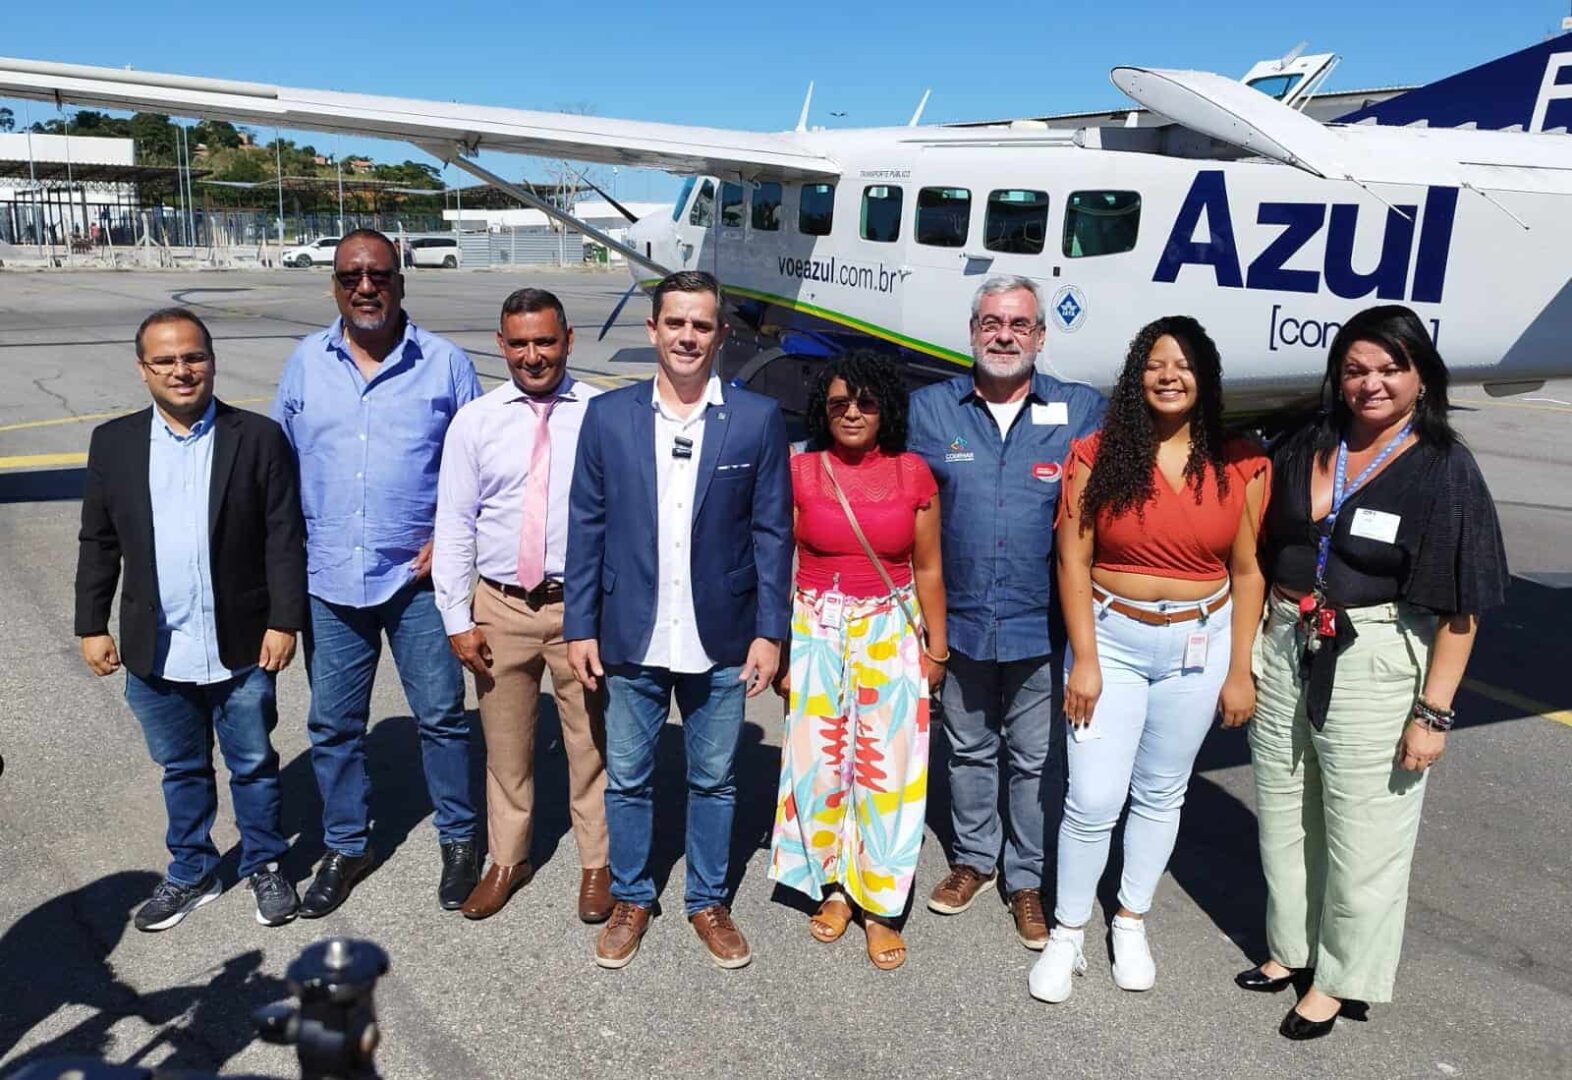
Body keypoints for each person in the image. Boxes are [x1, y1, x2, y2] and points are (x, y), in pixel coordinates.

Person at [1241, 305, 1508, 1040]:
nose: (1372, 384)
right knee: (1284, 809)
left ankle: (1340, 978)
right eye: (1356, 369)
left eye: (1391, 368)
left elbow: (1462, 610)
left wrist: (1433, 713)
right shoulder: (1308, 441)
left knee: (1365, 833)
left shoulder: (1443, 468)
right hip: (1286, 639)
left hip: (1375, 656)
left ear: (1422, 376)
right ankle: (1291, 948)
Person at [1028, 317, 1269, 1003]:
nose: (1169, 376)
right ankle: (1069, 930)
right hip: (1112, 639)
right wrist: (1085, 658)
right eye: (1156, 364)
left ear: (1206, 378)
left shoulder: (1241, 464)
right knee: (1092, 798)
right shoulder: (1097, 455)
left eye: (1185, 365)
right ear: (1137, 375)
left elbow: (1247, 571)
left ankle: (1130, 920)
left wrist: (1240, 669)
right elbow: (1073, 560)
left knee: (1162, 792)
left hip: (1200, 644)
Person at [565, 270, 792, 970]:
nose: (687, 336)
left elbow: (772, 532)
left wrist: (770, 631)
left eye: (701, 324)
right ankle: (633, 896)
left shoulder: (755, 418)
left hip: (721, 634)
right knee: (628, 777)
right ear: (653, 329)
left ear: (720, 334)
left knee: (715, 779)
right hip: (630, 629)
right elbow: (586, 524)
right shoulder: (609, 416)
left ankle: (707, 900)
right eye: (675, 323)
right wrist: (580, 626)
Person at [271, 228, 483, 918]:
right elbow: (279, 468)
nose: (366, 287)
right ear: (334, 285)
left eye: (379, 275)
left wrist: (451, 539)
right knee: (333, 724)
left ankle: (459, 838)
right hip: (331, 577)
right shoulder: (306, 363)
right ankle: (347, 843)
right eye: (350, 277)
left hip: (417, 579)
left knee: (442, 718)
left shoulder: (445, 364)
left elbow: (478, 467)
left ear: (400, 280)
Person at [75, 308, 306, 931]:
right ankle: (193, 870)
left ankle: (265, 862)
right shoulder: (114, 442)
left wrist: (285, 620)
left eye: (193, 357)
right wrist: (90, 624)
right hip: (157, 643)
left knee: (252, 763)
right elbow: (98, 540)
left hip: (242, 642)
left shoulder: (256, 437)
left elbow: (284, 536)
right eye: (166, 361)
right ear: (143, 369)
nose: (182, 370)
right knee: (181, 768)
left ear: (211, 360)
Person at [907, 276, 1105, 948]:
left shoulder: (1081, 410)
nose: (1004, 335)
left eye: (1019, 324)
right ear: (972, 331)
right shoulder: (929, 411)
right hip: (958, 617)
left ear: (1040, 336)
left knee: (1033, 759)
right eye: (991, 322)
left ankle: (1025, 878)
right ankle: (973, 859)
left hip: (1039, 622)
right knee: (967, 748)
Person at [433, 287, 611, 923]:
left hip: (579, 609)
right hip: (500, 607)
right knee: (505, 747)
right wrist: (457, 618)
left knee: (590, 743)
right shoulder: (475, 421)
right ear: (501, 344)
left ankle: (597, 863)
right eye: (519, 344)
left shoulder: (601, 414)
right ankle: (508, 859)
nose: (533, 356)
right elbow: (455, 523)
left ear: (568, 339)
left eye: (545, 341)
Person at [768, 351, 946, 971]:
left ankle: (879, 904)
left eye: (866, 402)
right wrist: (780, 648)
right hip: (816, 630)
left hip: (890, 632)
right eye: (839, 402)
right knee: (819, 763)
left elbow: (929, 568)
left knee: (887, 770)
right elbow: (778, 564)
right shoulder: (800, 470)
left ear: (885, 408)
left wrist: (937, 648)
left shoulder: (912, 473)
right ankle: (836, 888)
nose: (851, 413)